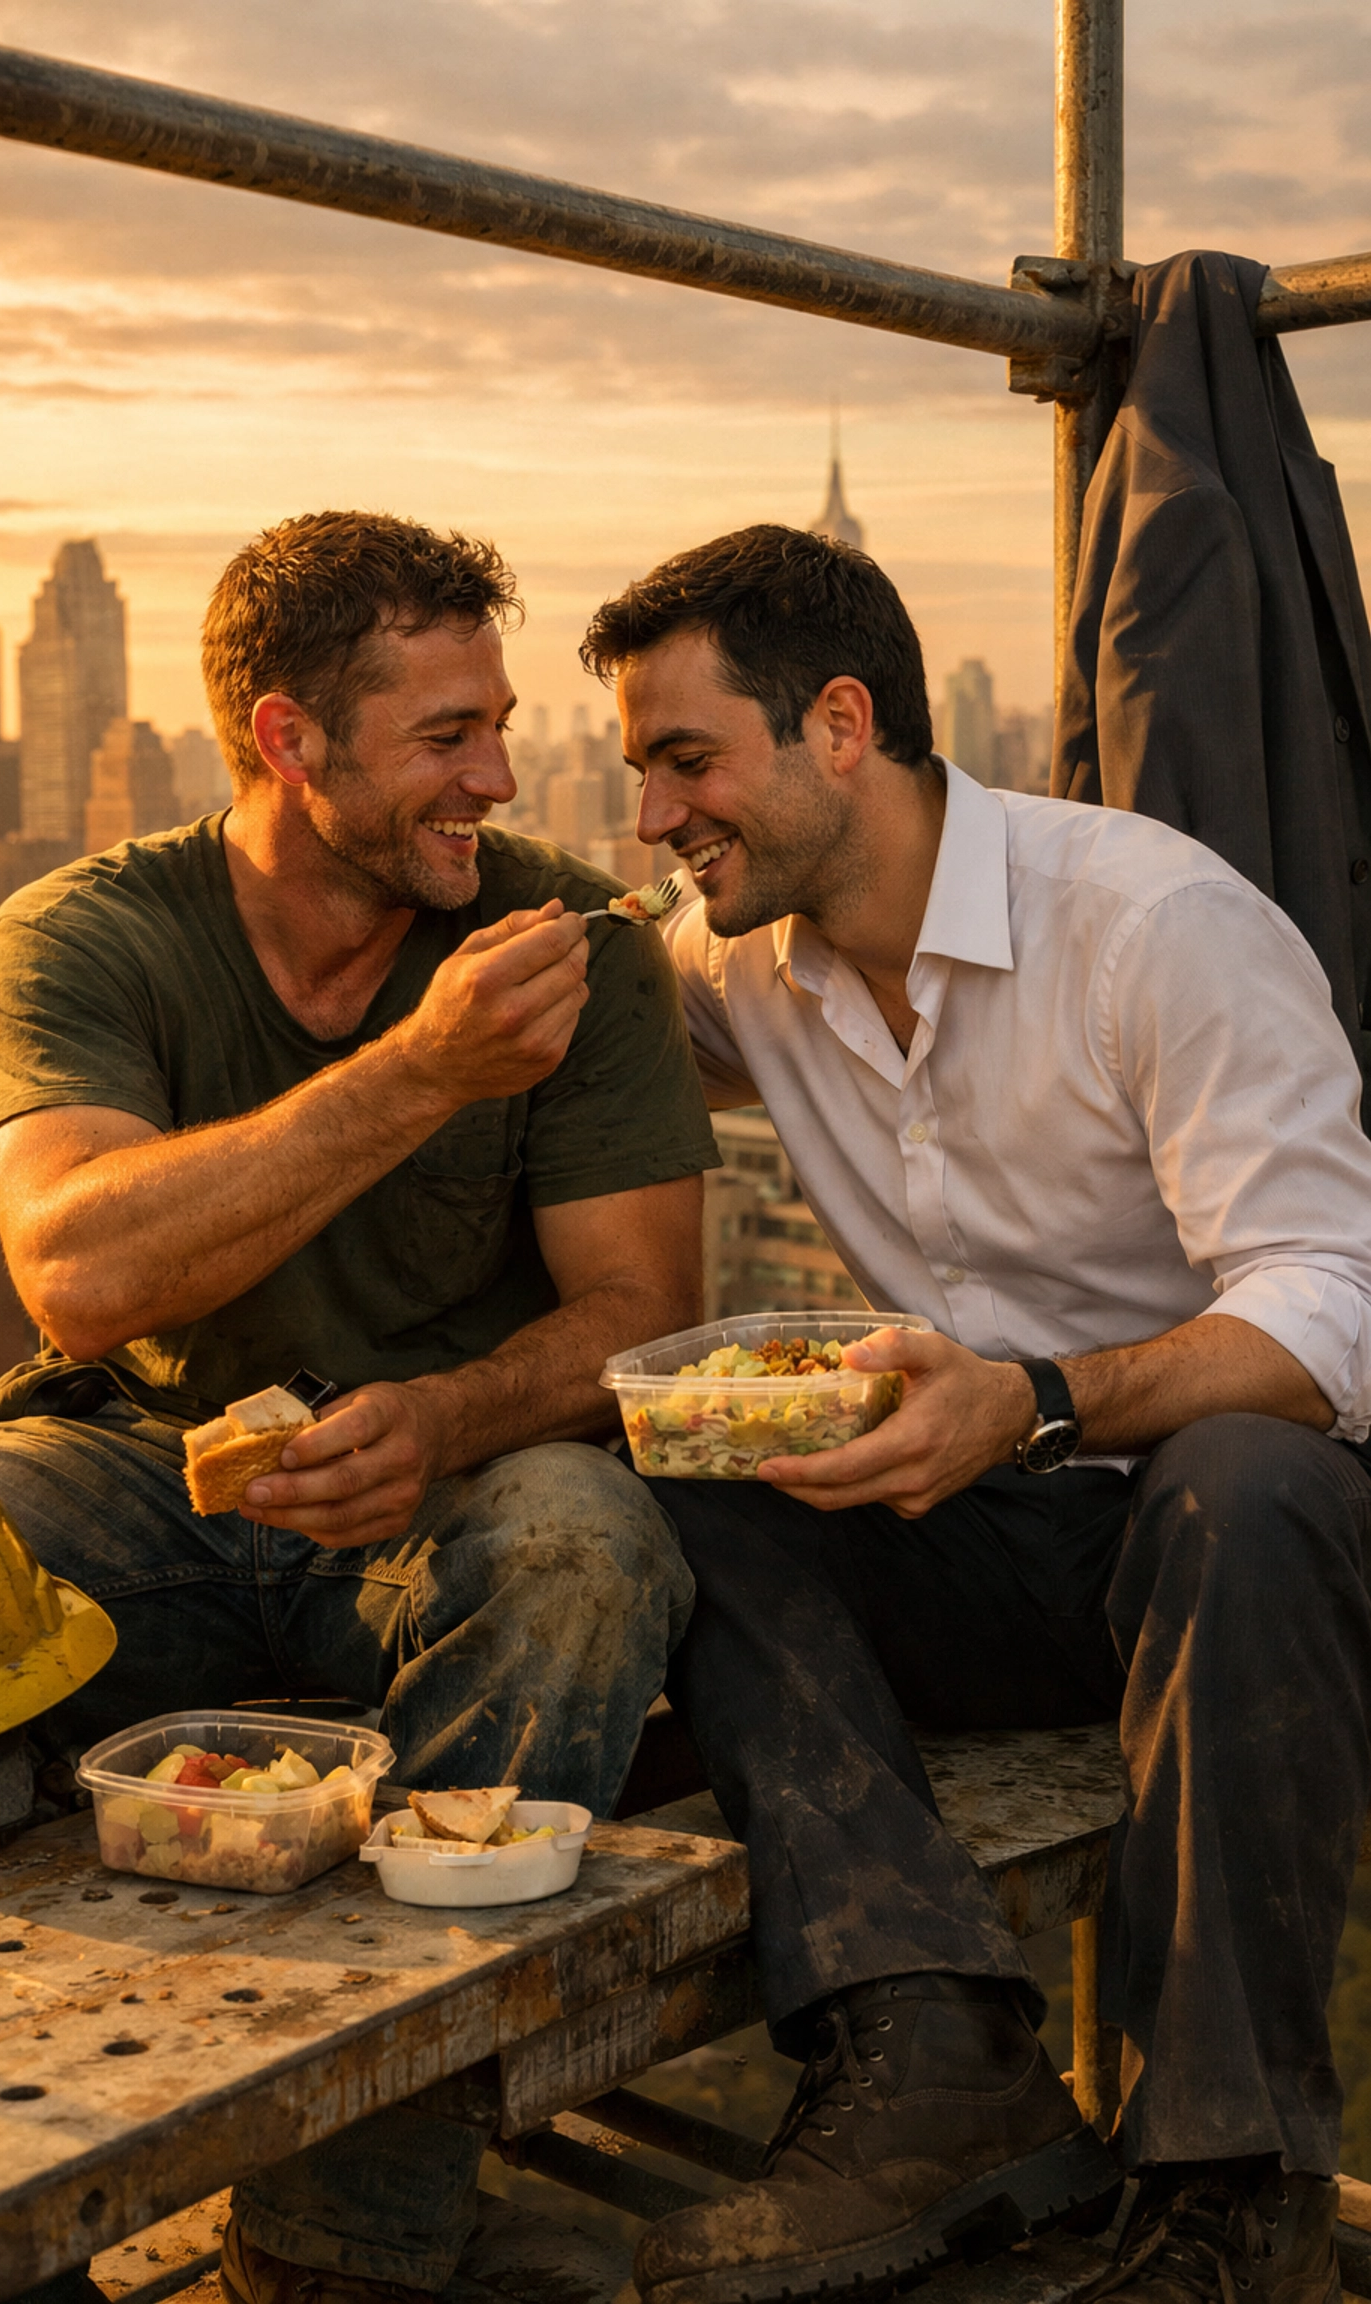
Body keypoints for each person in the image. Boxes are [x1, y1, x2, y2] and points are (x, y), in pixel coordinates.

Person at [580, 523, 1371, 2304]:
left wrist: (1036, 1405)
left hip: (1242, 1561)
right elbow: (569, 999)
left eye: (686, 760)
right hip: (998, 1553)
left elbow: (1338, 1309)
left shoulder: (1153, 925)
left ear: (840, 724)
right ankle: (933, 2057)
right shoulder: (742, 969)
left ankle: (1233, 2199)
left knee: (1240, 1479)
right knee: (690, 1465)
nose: (652, 818)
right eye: (638, 772)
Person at [0, 510, 718, 2304]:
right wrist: (419, 1074)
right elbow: (78, 1270)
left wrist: (443, 1421)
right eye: (447, 735)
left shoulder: (564, 941)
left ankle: (347, 2237)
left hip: (445, 1497)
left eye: (498, 725)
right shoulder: (82, 937)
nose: (500, 773)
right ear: (290, 742)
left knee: (587, 1550)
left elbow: (640, 1311)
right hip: (144, 1479)